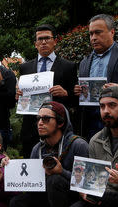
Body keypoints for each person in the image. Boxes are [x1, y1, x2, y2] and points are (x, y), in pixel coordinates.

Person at [9, 102, 89, 207]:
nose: (40, 122)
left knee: (55, 180)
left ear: (60, 122)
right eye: (38, 118)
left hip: (73, 202)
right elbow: (30, 182)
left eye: (46, 119)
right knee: (15, 202)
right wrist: (10, 172)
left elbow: (86, 184)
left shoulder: (78, 145)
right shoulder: (37, 148)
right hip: (49, 200)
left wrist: (62, 172)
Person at [74, 14, 118, 140]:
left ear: (112, 32)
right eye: (91, 34)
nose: (93, 38)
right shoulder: (84, 62)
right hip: (92, 125)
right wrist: (78, 91)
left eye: (98, 33)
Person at [19, 24, 78, 157]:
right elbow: (21, 96)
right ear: (35, 43)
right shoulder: (25, 67)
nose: (43, 42)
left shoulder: (69, 66)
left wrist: (66, 93)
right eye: (40, 39)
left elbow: (76, 99)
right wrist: (19, 95)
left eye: (47, 38)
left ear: (54, 41)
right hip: (31, 127)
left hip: (57, 128)